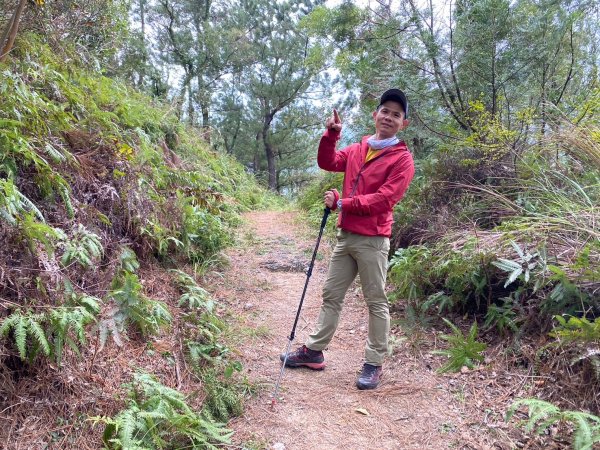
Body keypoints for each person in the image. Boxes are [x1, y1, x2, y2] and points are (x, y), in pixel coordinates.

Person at [280, 89, 415, 390]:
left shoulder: (402, 160)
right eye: (385, 111)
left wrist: (342, 203)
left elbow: (384, 200)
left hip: (373, 240)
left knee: (375, 301)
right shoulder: (358, 148)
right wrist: (331, 134)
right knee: (331, 295)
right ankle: (314, 352)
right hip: (346, 237)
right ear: (375, 114)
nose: (389, 117)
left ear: (403, 123)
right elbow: (328, 162)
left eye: (396, 114)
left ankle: (373, 363)